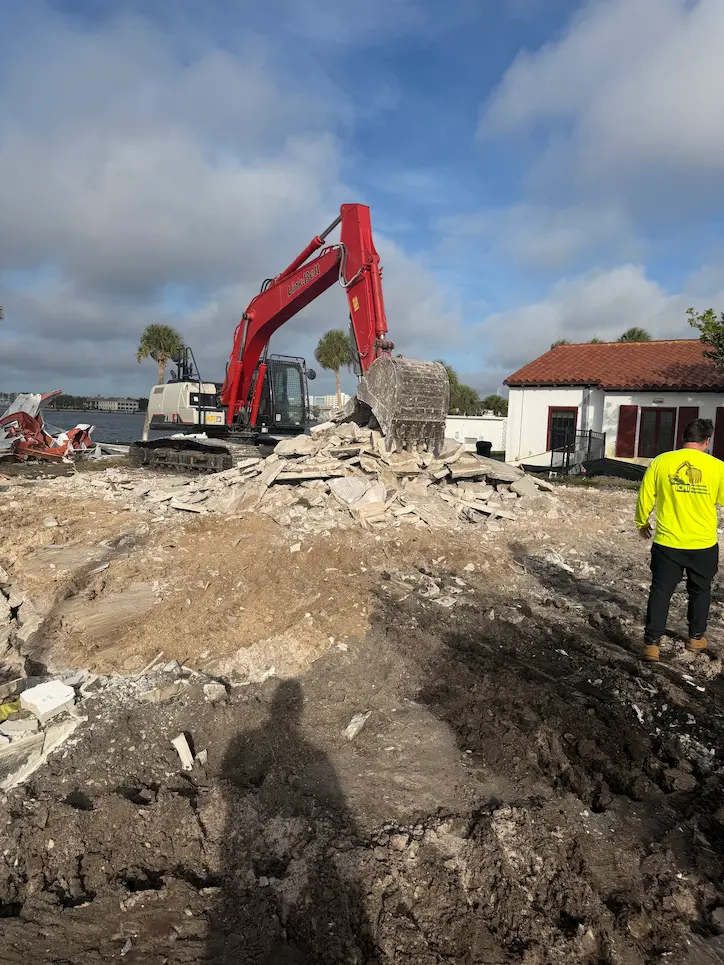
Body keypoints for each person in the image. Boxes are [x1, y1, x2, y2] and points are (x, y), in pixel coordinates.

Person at [635, 417, 724, 662]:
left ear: (683, 438)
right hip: (703, 543)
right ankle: (696, 637)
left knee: (661, 591)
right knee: (700, 590)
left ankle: (651, 645)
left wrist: (642, 522)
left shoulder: (661, 461)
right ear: (707, 441)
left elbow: (645, 495)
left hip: (667, 543)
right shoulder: (718, 467)